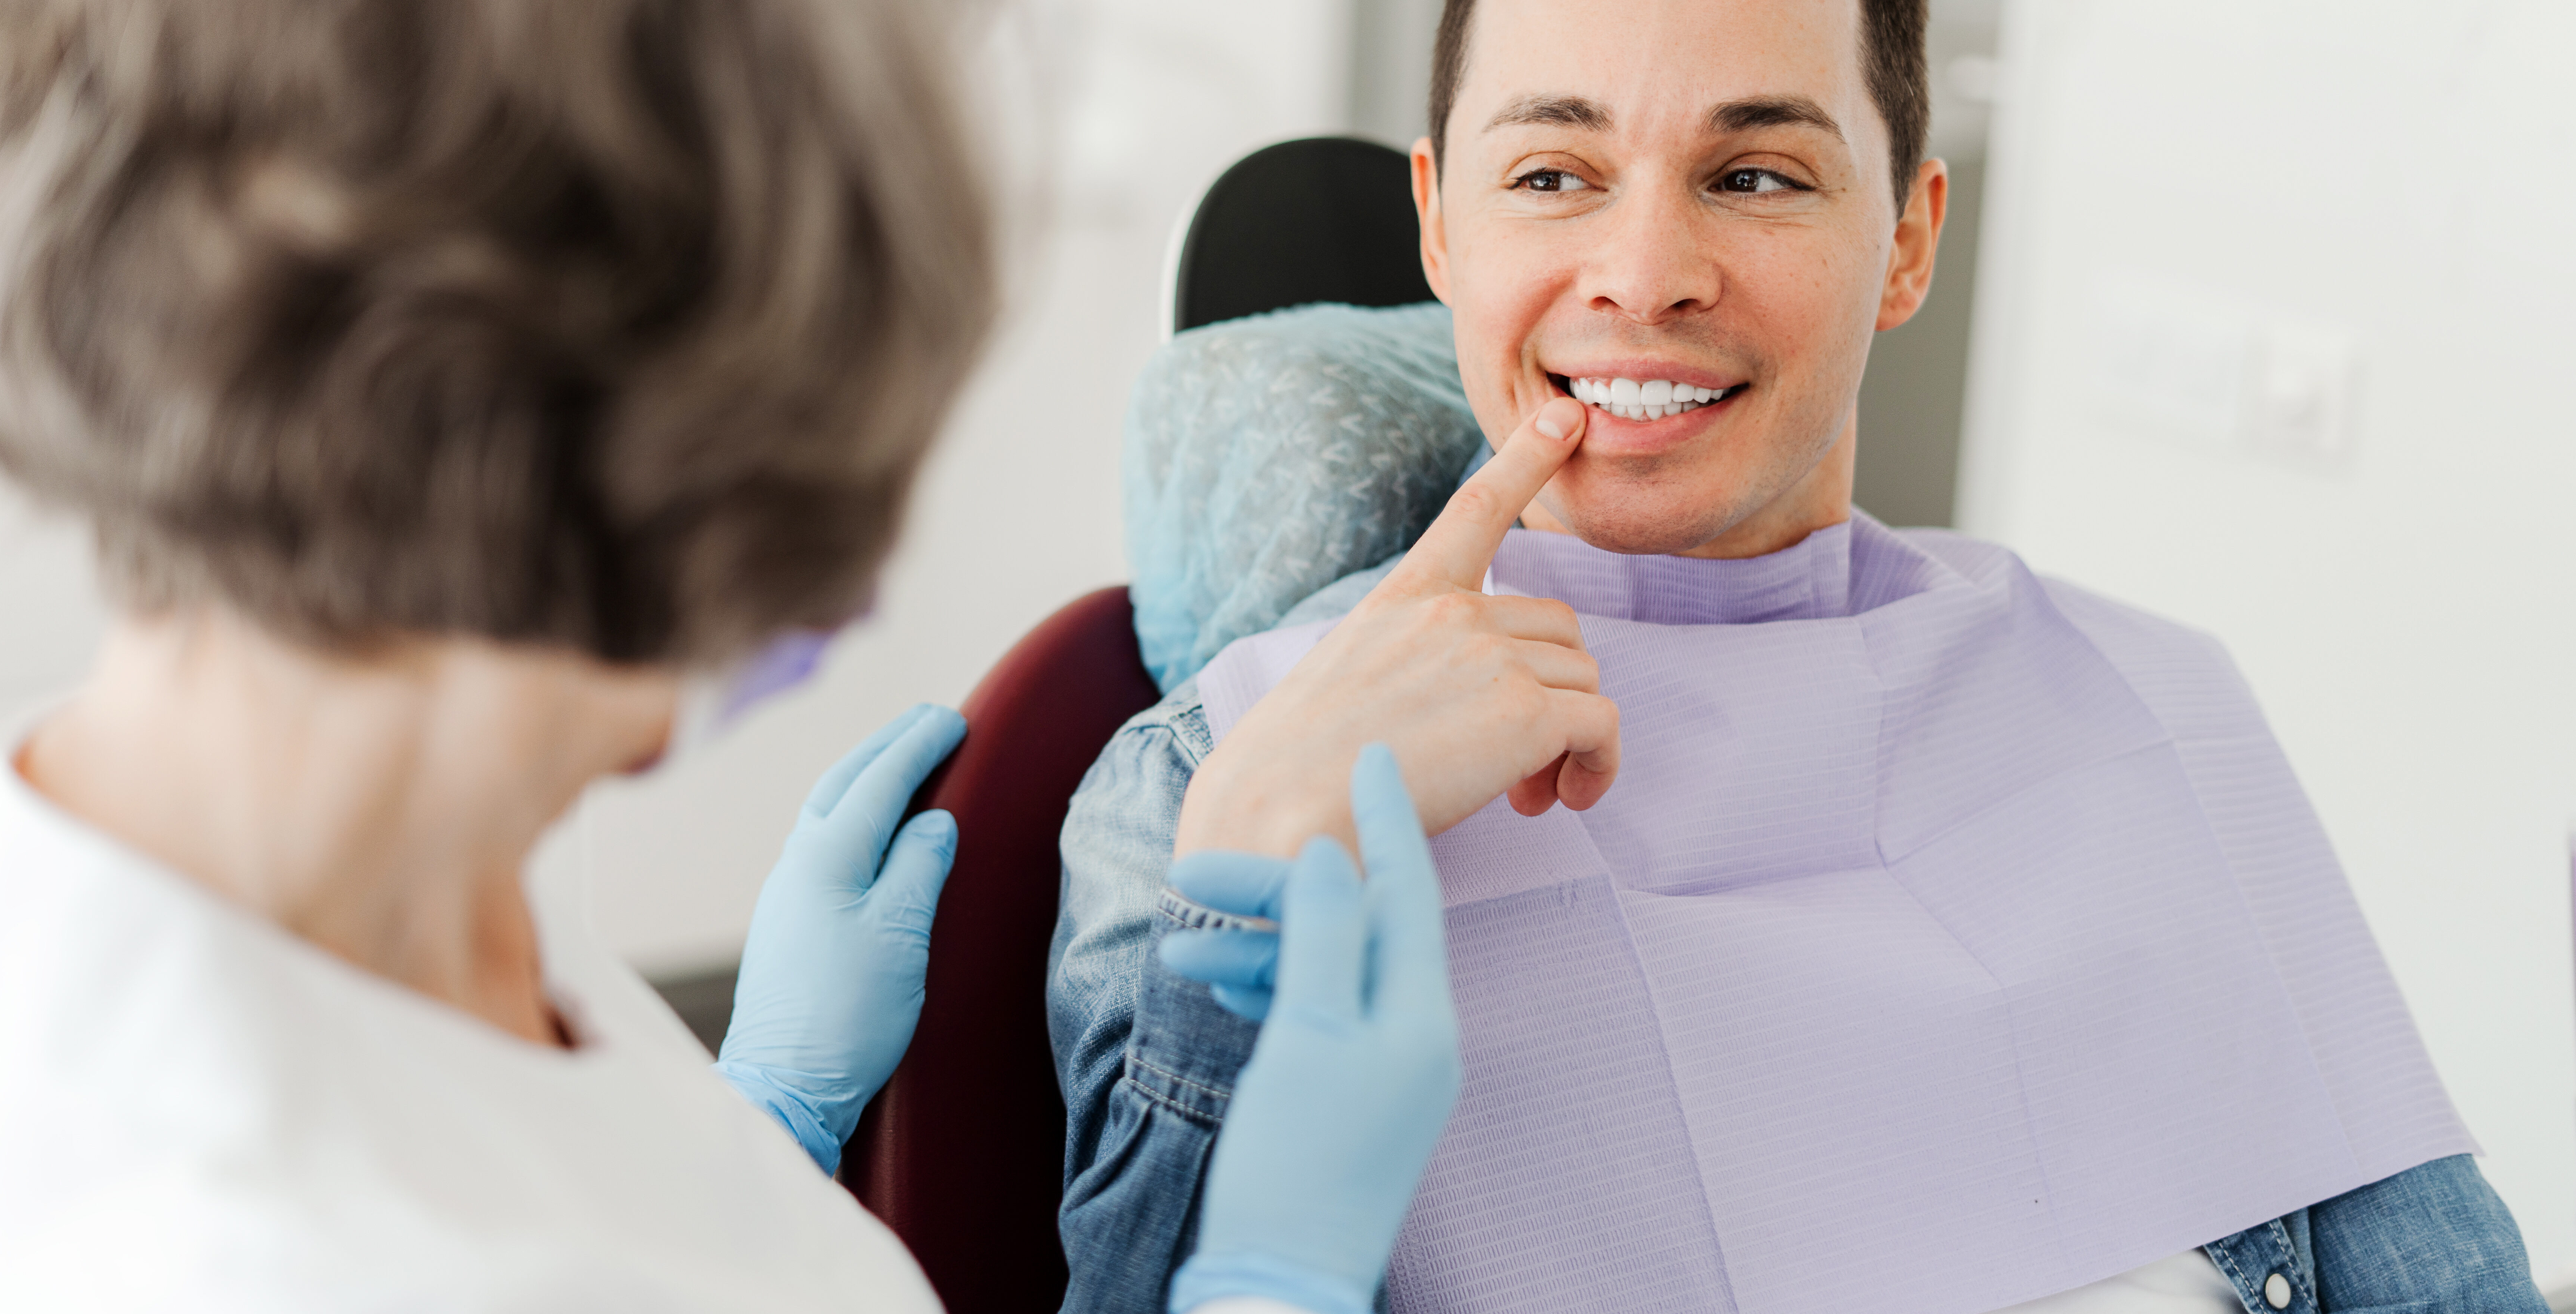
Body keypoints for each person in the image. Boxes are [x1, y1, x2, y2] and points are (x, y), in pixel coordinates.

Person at [0, 4, 1488, 1313]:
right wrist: (1268, 1282)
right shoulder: (255, 1249)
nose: (846, 589)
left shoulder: (352, 853)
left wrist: (753, 1126)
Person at [1046, 0, 2551, 1311]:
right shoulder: (1212, 788)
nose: (1643, 274)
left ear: (1906, 242)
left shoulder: (2150, 701)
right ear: (1443, 225)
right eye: (1553, 175)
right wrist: (1251, 870)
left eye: (1755, 173)